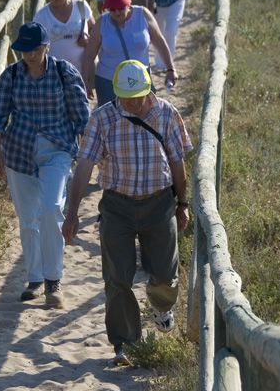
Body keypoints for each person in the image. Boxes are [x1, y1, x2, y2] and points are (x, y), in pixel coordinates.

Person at [62, 60, 193, 367]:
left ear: (148, 88)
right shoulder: (102, 118)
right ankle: (125, 344)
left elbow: (177, 162)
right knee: (117, 278)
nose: (131, 103)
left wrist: (182, 203)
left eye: (136, 96)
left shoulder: (167, 114)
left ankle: (161, 306)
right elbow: (84, 166)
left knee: (164, 275)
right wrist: (72, 212)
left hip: (159, 202)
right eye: (124, 97)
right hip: (117, 206)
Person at [0, 22, 90, 308]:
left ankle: (53, 279)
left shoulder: (64, 73)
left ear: (46, 47)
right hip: (19, 153)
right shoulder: (11, 75)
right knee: (28, 218)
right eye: (24, 50)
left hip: (57, 150)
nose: (29, 55)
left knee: (50, 209)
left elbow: (81, 114)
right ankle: (34, 278)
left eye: (34, 49)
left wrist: (88, 154)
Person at [81, 0, 177, 107]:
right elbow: (89, 54)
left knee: (145, 118)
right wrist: (85, 81)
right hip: (109, 82)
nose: (117, 13)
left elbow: (159, 42)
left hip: (140, 80)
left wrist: (170, 69)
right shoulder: (102, 23)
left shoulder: (143, 15)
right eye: (112, 9)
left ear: (128, 2)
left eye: (121, 7)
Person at [34, 0, 95, 71]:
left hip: (82, 72)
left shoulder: (82, 7)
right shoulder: (41, 16)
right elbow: (34, 46)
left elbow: (95, 31)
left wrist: (89, 40)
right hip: (53, 75)